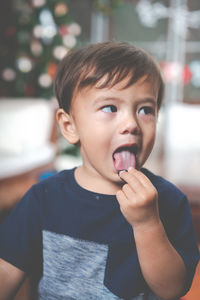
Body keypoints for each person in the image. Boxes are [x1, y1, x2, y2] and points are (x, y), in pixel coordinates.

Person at [0, 41, 199, 300]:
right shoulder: (43, 198)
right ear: (70, 126)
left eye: (145, 110)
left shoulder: (169, 202)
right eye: (110, 108)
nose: (131, 124)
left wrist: (147, 224)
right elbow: (6, 273)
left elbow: (173, 289)